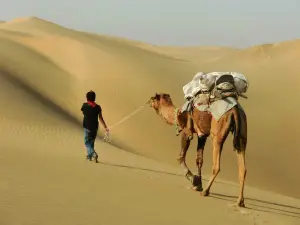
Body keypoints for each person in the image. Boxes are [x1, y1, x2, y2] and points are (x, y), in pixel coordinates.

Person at [80, 90, 109, 162]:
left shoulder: (84, 105)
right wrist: (105, 127)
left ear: (87, 98)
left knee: (87, 143)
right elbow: (101, 118)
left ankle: (93, 153)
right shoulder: (98, 107)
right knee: (91, 142)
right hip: (95, 128)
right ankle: (89, 156)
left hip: (87, 127)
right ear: (94, 98)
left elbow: (83, 112)